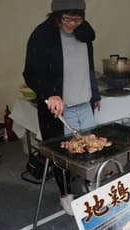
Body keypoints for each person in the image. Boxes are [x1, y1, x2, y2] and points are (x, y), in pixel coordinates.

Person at [23, 0, 101, 215]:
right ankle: (65, 195)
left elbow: (89, 66)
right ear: (56, 15)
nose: (72, 24)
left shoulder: (84, 32)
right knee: (63, 156)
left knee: (89, 149)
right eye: (67, 18)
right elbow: (30, 73)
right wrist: (50, 93)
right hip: (59, 110)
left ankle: (89, 187)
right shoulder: (42, 35)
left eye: (77, 18)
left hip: (84, 103)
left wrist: (94, 93)